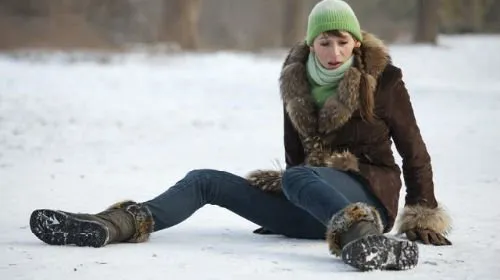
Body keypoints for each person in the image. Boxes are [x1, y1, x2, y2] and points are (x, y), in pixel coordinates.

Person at [29, 0, 452, 272]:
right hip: (313, 207)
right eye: (325, 42)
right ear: (312, 43)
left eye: (343, 42)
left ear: (356, 43)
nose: (335, 52)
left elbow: (414, 152)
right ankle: (112, 225)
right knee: (204, 179)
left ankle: (365, 244)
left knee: (295, 177)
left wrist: (422, 214)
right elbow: (296, 154)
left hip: (367, 198)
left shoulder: (385, 80)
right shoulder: (296, 81)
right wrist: (285, 205)